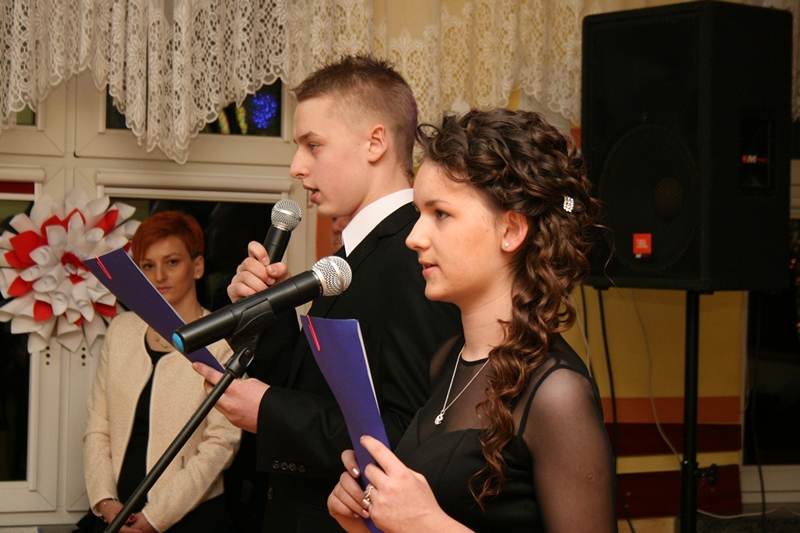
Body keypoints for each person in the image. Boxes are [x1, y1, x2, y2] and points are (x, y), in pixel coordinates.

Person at [192, 54, 462, 533]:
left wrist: (269, 411)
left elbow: (410, 432)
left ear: (375, 142)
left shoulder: (414, 258)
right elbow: (318, 389)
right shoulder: (352, 258)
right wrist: (265, 313)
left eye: (313, 145)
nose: (297, 167)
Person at [327, 109, 617, 532]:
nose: (414, 237)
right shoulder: (447, 359)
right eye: (418, 213)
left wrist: (426, 523)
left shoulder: (558, 393)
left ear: (511, 230)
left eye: (440, 214)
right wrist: (363, 517)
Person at [82, 211, 241, 533]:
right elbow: (98, 426)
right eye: (148, 266)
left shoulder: (221, 343)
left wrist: (156, 518)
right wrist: (106, 502)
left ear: (197, 266)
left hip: (190, 516)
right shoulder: (121, 331)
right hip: (116, 511)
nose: (159, 276)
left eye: (172, 262)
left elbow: (220, 443)